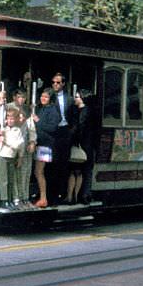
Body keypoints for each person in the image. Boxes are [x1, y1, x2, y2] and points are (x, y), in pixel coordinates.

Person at [32, 88, 60, 208]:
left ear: (51, 99)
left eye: (46, 97)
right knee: (38, 172)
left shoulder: (53, 111)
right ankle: (41, 196)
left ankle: (44, 198)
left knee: (39, 172)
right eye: (42, 96)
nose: (43, 99)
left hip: (45, 145)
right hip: (40, 143)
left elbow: (52, 128)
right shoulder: (42, 108)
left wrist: (38, 122)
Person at [8, 88, 36, 205]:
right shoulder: (7, 107)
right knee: (15, 173)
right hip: (12, 145)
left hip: (25, 145)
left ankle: (25, 197)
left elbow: (31, 127)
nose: (22, 99)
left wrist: (32, 141)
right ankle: (16, 198)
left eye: (24, 97)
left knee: (25, 171)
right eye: (19, 97)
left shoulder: (26, 109)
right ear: (14, 97)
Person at [67, 89, 95, 204]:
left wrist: (72, 139)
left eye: (77, 97)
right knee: (81, 171)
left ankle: (75, 196)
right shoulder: (83, 110)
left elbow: (80, 128)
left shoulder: (84, 111)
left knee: (77, 170)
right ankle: (80, 195)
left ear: (83, 99)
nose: (75, 98)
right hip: (86, 144)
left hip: (81, 145)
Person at [49, 72, 72, 203]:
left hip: (65, 131)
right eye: (53, 82)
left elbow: (73, 117)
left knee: (64, 165)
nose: (55, 85)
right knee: (52, 164)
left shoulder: (69, 98)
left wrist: (71, 132)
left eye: (58, 82)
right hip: (53, 132)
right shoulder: (49, 95)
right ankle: (51, 194)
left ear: (63, 84)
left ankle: (61, 194)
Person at [0, 107, 25, 208]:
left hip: (12, 157)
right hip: (3, 156)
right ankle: (4, 200)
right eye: (8, 118)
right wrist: (1, 138)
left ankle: (10, 199)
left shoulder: (17, 131)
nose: (10, 120)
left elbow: (18, 145)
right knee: (4, 179)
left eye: (12, 119)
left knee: (11, 179)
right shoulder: (3, 129)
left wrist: (5, 141)